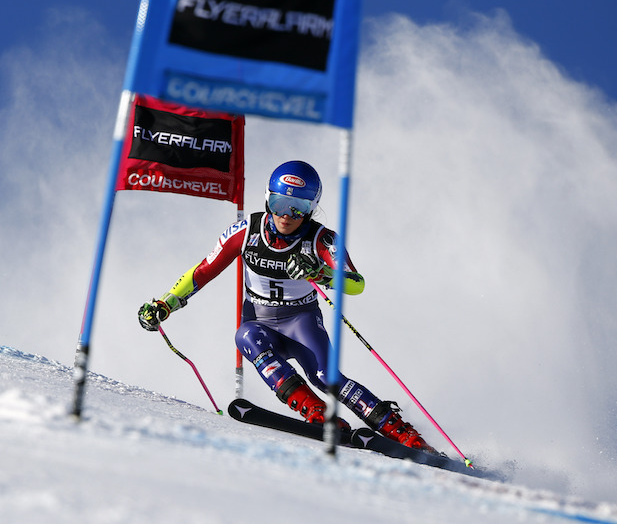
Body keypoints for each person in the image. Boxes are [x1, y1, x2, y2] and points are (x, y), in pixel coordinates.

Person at [138, 160, 437, 452]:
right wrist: (165, 304)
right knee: (245, 336)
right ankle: (321, 417)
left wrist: (320, 273)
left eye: (299, 208)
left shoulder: (321, 239)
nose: (287, 215)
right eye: (280, 204)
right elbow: (203, 270)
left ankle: (406, 437)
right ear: (268, 199)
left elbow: (356, 283)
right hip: (260, 323)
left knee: (326, 377)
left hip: (301, 322)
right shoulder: (245, 231)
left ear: (311, 210)